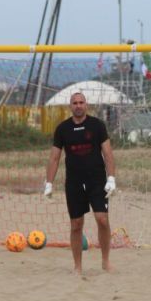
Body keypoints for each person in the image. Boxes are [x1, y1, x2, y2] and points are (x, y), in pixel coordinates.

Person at [44, 92, 116, 274]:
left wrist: (112, 178)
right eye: (75, 103)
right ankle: (77, 266)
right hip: (74, 183)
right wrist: (49, 183)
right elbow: (54, 158)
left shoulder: (97, 125)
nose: (78, 105)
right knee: (76, 224)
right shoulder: (62, 129)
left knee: (102, 220)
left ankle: (106, 261)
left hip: (97, 181)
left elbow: (108, 154)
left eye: (81, 102)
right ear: (70, 106)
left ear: (86, 105)